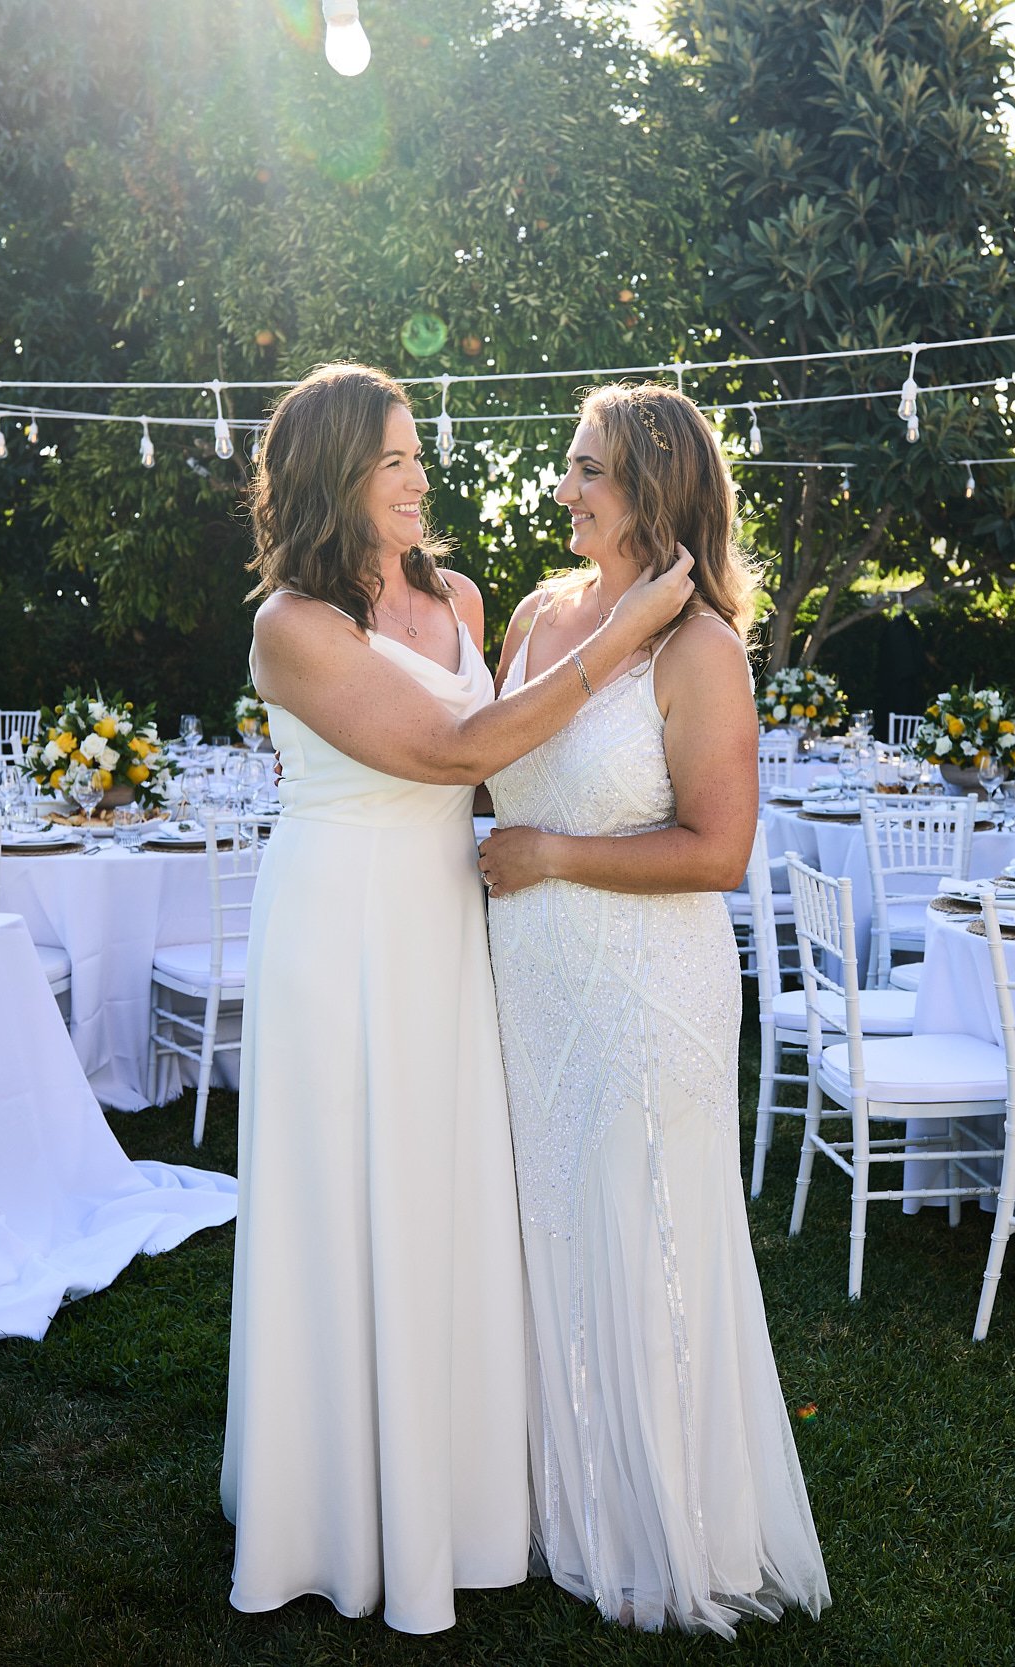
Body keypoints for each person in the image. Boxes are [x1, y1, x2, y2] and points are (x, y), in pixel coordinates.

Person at [226, 363, 695, 1634]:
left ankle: (463, 1494)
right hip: (338, 923)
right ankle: (328, 1501)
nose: (420, 478)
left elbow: (502, 774)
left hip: (443, 916)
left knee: (446, 1186)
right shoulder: (292, 625)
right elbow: (447, 750)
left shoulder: (459, 595)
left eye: (417, 454)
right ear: (336, 475)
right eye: (394, 460)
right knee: (348, 1189)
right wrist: (622, 637)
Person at [477, 384, 830, 1634]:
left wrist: (553, 856)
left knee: (643, 1232)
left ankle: (665, 1521)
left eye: (590, 472)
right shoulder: (533, 611)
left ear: (657, 488)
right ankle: (553, 1496)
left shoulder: (704, 651)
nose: (565, 490)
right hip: (529, 977)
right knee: (547, 1226)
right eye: (568, 468)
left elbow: (717, 850)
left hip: (645, 985)